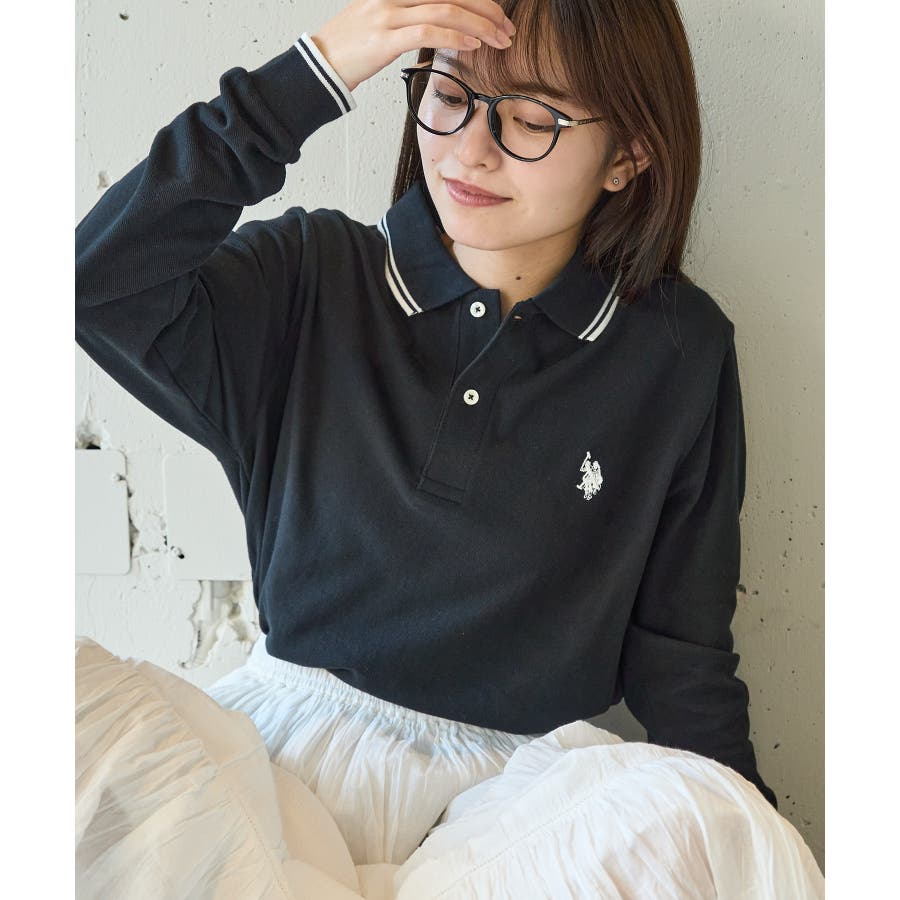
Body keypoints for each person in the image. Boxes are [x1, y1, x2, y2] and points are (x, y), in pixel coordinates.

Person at [75, 0, 802, 891]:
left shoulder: (677, 353)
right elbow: (96, 284)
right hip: (271, 791)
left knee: (715, 815)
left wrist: (745, 837)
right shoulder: (313, 275)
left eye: (531, 118)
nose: (472, 150)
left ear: (629, 155)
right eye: (449, 96)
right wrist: (317, 68)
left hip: (517, 825)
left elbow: (683, 658)